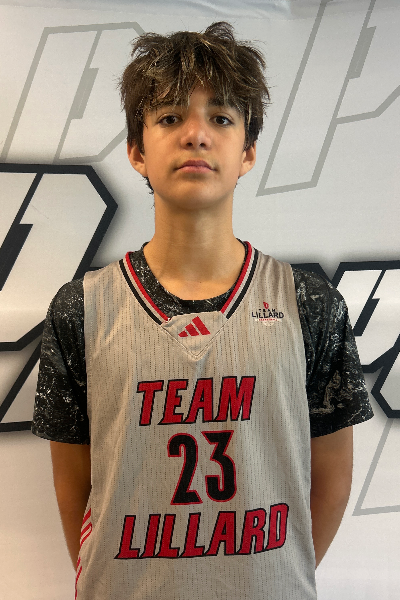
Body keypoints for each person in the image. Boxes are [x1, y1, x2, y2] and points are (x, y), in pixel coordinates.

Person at [32, 22, 373, 600]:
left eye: (220, 118)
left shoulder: (309, 304)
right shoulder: (81, 308)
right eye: (170, 118)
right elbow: (76, 490)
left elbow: (332, 481)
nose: (195, 135)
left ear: (248, 151)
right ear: (137, 151)